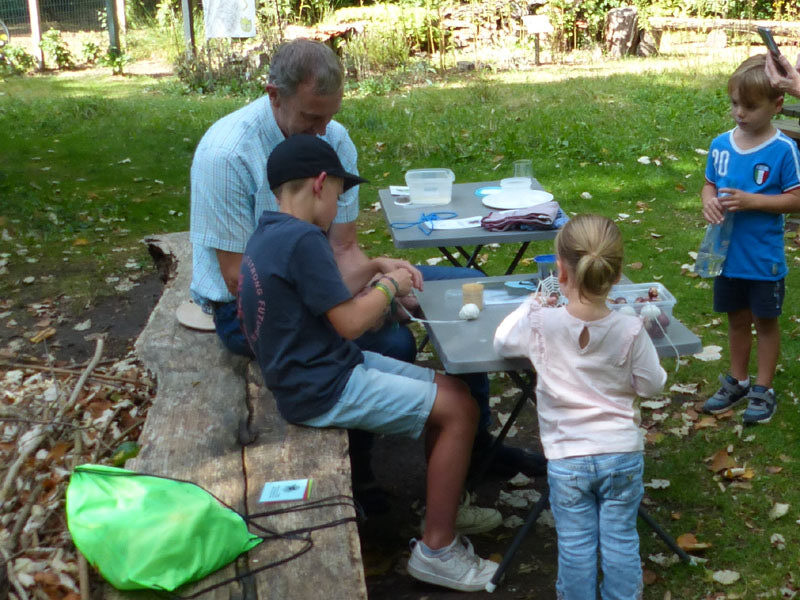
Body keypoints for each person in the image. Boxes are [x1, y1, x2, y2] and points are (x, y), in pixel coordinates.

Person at [188, 38, 545, 496]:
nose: (323, 132)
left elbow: (342, 249)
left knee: (463, 286)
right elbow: (240, 280)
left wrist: (377, 282)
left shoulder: (333, 139)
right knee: (393, 340)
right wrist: (375, 299)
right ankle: (360, 475)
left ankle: (473, 448)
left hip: (321, 289)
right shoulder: (227, 153)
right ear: (273, 94)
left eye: (330, 116)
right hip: (250, 314)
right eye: (311, 118)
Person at [237, 134, 499, 592]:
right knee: (460, 411)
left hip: (317, 370)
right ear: (320, 183)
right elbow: (350, 322)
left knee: (455, 393)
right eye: (340, 193)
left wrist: (376, 265)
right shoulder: (303, 239)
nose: (339, 205)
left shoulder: (272, 232)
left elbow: (326, 290)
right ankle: (436, 550)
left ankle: (443, 509)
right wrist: (389, 287)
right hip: (321, 388)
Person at [493, 214, 667, 600]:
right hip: (620, 452)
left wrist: (533, 300)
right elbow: (653, 384)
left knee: (575, 545)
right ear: (617, 273)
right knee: (620, 539)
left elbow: (502, 341)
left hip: (568, 457)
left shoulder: (541, 323)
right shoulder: (631, 328)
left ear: (561, 271)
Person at [699, 54, 800, 424]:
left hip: (763, 258)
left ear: (776, 105)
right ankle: (737, 380)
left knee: (765, 321)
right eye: (734, 104)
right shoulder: (721, 145)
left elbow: (796, 198)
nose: (740, 113)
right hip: (726, 256)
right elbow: (709, 183)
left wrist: (753, 201)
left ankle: (763, 386)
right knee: (736, 319)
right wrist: (709, 201)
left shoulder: (783, 149)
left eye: (750, 106)